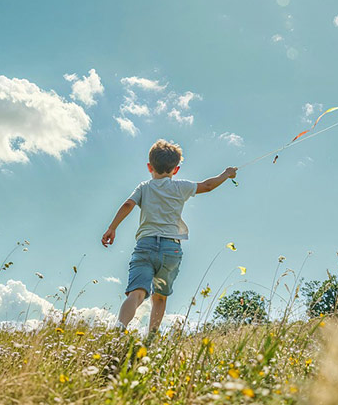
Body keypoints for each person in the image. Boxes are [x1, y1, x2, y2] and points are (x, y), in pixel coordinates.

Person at [102, 138, 237, 333]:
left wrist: (112, 228)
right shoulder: (181, 186)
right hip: (171, 249)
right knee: (160, 297)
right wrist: (226, 174)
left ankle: (118, 329)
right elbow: (207, 186)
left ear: (150, 167)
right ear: (176, 169)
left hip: (145, 245)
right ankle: (151, 340)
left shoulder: (144, 187)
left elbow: (128, 205)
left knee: (137, 293)